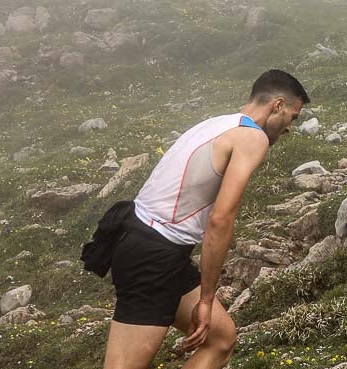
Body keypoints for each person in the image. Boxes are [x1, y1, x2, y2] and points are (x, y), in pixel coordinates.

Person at [97, 69, 309, 368]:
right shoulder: (252, 138)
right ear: (277, 105)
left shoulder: (216, 124)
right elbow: (221, 219)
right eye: (293, 116)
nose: (289, 127)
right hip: (154, 255)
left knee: (220, 339)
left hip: (141, 239)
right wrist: (207, 300)